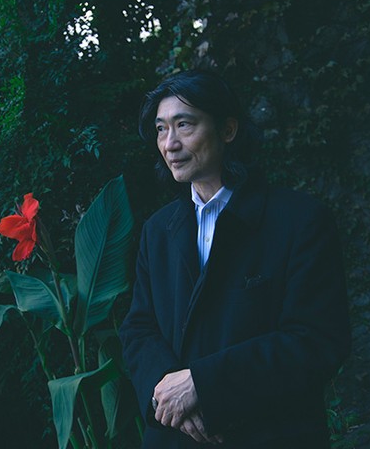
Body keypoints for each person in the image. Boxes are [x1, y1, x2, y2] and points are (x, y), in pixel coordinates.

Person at [119, 70, 351, 448]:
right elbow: (138, 329)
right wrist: (168, 397)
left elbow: (317, 340)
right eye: (161, 129)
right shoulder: (157, 230)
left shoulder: (299, 220)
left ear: (228, 130)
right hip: (174, 437)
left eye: (184, 125)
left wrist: (203, 385)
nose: (170, 144)